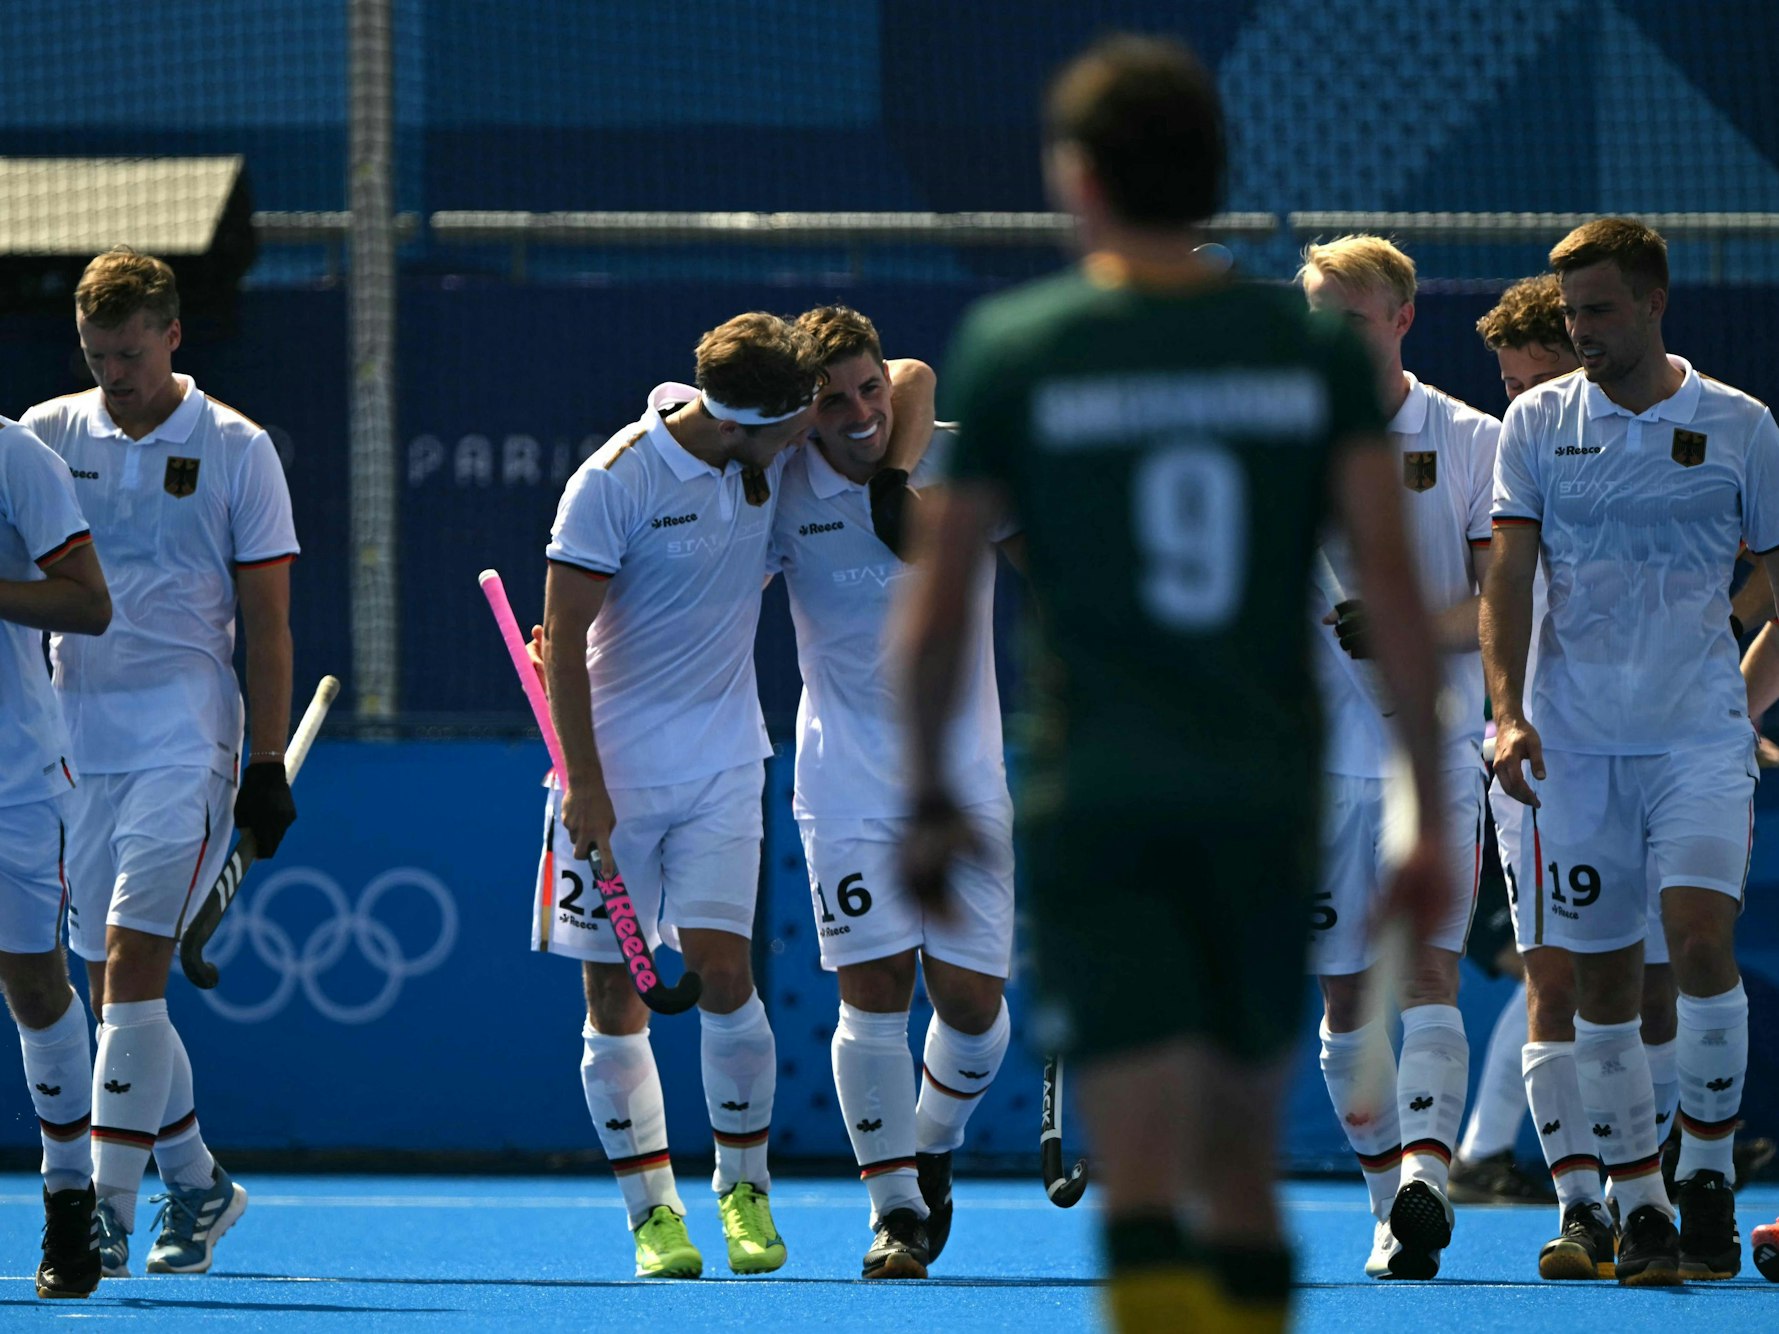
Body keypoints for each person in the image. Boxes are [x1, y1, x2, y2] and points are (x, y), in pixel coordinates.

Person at [899, 35, 1450, 1333]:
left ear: (1075, 179)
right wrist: (1425, 798)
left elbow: (928, 620)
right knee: (1238, 1154)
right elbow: (1395, 593)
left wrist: (929, 792)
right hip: (1258, 783)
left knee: (1137, 1157)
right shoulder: (1302, 358)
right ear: (1211, 178)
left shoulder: (1019, 344)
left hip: (1097, 789)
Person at [1485, 217, 1779, 1285]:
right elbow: (1508, 578)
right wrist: (1510, 710)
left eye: (1600, 309)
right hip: (1573, 750)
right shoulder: (1534, 424)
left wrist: (1747, 707)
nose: (1583, 329)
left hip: (1699, 735)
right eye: (1572, 314)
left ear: (1656, 302)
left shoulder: (1744, 426)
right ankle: (1640, 1207)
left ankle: (1706, 1168)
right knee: (1601, 984)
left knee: (1700, 942)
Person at [24, 247, 299, 1278]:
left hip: (186, 734)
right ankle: (198, 1180)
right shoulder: (47, 435)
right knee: (114, 995)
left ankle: (104, 1207)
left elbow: (266, 622)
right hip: (71, 740)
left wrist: (264, 761)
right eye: (97, 355)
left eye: (131, 354)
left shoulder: (237, 447)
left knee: (134, 965)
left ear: (173, 335)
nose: (114, 374)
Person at [537, 312, 820, 1279]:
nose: (808, 433)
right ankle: (651, 1215)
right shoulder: (610, 483)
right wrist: (584, 783)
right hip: (608, 775)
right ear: (748, 422)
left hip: (723, 764)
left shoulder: (767, 449)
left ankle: (744, 1193)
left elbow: (903, 382)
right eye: (795, 421)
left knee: (723, 976)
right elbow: (561, 640)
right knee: (612, 990)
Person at [766, 305, 1015, 1279]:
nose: (861, 411)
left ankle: (931, 1139)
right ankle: (895, 1209)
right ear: (804, 413)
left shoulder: (963, 462)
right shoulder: (780, 487)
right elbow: (698, 596)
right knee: (873, 992)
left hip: (965, 773)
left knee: (970, 1005)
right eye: (833, 401)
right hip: (844, 776)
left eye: (869, 389)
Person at [1294, 235, 1499, 1281]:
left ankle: (1426, 1170)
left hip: (1436, 750)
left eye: (1348, 317)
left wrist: (1410, 626)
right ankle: (1388, 1205)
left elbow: (1506, 608)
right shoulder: (1274, 443)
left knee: (1425, 974)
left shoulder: (1470, 438)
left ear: (1401, 319)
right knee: (1343, 999)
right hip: (1312, 765)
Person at [1449, 275, 1583, 1208]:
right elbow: (1496, 602)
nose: (1515, 407)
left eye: (1528, 385)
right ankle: (1484, 1154)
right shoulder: (1507, 458)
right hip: (1521, 751)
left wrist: (1724, 683)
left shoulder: (1663, 444)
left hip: (1647, 744)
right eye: (1503, 387)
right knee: (1552, 963)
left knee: (1649, 965)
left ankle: (1660, 1158)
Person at [0, 416, 111, 1298]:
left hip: (15, 780)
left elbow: (88, 602)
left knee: (36, 985)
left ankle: (69, 1201)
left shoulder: (16, 458)